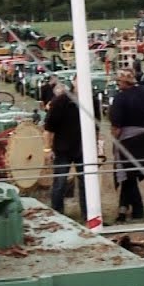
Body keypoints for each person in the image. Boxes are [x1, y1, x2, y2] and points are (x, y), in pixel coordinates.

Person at [108, 69, 144, 224]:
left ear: (125, 82)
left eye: (119, 81)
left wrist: (115, 141)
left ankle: (137, 213)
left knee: (129, 177)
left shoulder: (120, 99)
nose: (117, 84)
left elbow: (116, 126)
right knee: (130, 178)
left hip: (127, 141)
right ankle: (124, 210)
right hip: (143, 139)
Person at [44, 81, 87, 218]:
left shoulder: (90, 100)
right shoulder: (60, 101)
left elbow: (96, 128)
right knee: (60, 183)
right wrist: (47, 149)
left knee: (86, 183)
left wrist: (98, 148)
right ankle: (58, 215)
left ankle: (89, 215)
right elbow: (49, 128)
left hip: (84, 148)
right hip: (62, 148)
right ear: (74, 83)